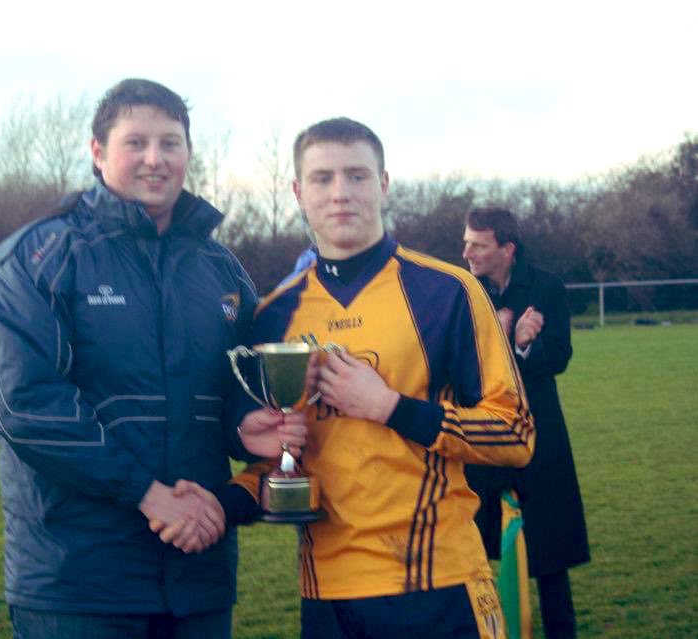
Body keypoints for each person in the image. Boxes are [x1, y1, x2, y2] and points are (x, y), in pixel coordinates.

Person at [0, 78, 304, 639]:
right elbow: (24, 406)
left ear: (187, 154)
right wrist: (149, 495)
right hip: (77, 583)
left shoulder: (221, 269)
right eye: (137, 143)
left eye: (170, 143)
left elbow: (236, 389)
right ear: (98, 152)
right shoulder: (42, 257)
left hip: (197, 572)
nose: (155, 159)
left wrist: (244, 426)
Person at [205, 117, 535, 639]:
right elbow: (280, 459)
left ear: (383, 185)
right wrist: (217, 505)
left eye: (357, 176)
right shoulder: (273, 316)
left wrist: (390, 407)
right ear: (297, 191)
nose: (341, 193)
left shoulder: (448, 292)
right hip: (327, 600)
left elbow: (515, 435)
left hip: (439, 585)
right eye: (322, 178)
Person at [462, 207, 589, 639]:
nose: (467, 253)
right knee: (473, 552)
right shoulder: (463, 292)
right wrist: (506, 340)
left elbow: (559, 357)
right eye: (467, 242)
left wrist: (526, 348)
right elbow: (461, 368)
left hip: (540, 437)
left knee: (549, 555)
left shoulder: (547, 287)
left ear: (507, 248)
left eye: (477, 244)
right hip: (482, 434)